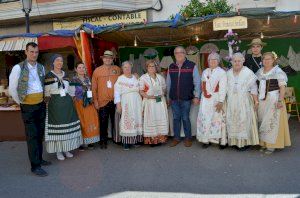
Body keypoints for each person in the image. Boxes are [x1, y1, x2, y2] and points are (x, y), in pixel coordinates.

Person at [9, 42, 50, 177]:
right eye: (31, 52)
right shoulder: (18, 68)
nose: (34, 54)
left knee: (39, 134)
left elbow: (43, 85)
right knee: (32, 135)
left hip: (40, 104)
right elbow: (12, 89)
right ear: (26, 52)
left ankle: (39, 159)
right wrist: (21, 101)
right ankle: (35, 166)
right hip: (28, 106)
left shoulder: (41, 67)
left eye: (36, 52)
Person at [44, 54, 82, 160]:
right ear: (53, 62)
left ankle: (66, 149)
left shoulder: (66, 75)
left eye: (61, 60)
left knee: (67, 126)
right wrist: (48, 104)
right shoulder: (49, 76)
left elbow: (70, 90)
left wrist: (73, 99)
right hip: (55, 104)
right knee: (58, 127)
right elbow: (47, 93)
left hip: (67, 104)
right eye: (57, 60)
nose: (59, 62)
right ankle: (58, 151)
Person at [257, 52, 291, 154]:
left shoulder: (278, 71)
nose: (266, 61)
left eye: (269, 59)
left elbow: (282, 87)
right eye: (264, 59)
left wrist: (280, 100)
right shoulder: (259, 71)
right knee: (262, 121)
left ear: (273, 60)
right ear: (262, 60)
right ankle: (264, 143)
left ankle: (272, 145)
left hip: (274, 100)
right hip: (262, 101)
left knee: (272, 122)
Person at [167, 46, 201, 147]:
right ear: (174, 55)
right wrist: (168, 97)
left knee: (186, 118)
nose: (179, 54)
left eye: (181, 52)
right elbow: (168, 83)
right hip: (174, 98)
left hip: (186, 98)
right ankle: (176, 138)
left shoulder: (191, 66)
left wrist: (196, 96)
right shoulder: (171, 66)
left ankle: (188, 138)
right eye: (176, 53)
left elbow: (197, 82)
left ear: (185, 54)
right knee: (176, 118)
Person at [226, 53, 259, 150]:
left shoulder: (248, 72)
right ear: (232, 62)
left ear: (243, 61)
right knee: (233, 120)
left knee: (244, 120)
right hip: (232, 101)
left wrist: (256, 101)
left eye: (239, 61)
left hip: (244, 100)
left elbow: (254, 88)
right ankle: (235, 142)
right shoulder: (228, 73)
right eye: (234, 61)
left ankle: (245, 143)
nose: (237, 63)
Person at [196, 52, 227, 149]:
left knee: (218, 119)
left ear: (218, 61)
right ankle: (206, 140)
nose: (212, 61)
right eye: (210, 60)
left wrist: (221, 101)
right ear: (208, 61)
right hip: (205, 99)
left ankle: (221, 141)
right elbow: (202, 85)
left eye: (214, 60)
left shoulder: (222, 72)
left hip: (217, 99)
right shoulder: (205, 71)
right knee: (206, 119)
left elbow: (223, 87)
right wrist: (203, 96)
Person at [92, 50, 121, 149]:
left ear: (112, 59)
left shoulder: (117, 69)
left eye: (110, 58)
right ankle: (103, 141)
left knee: (115, 121)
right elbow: (94, 88)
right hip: (102, 101)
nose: (108, 59)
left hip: (115, 101)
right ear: (103, 59)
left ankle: (116, 138)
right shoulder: (97, 71)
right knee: (103, 122)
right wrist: (95, 101)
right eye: (106, 58)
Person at [70, 62, 100, 150]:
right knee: (81, 122)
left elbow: (91, 90)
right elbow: (71, 94)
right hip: (79, 103)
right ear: (76, 69)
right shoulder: (73, 80)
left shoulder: (88, 79)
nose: (82, 69)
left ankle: (89, 141)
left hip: (89, 103)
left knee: (91, 121)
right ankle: (81, 143)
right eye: (79, 67)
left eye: (83, 67)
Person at [114, 61, 143, 150]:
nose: (127, 69)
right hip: (126, 102)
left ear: (131, 68)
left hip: (137, 102)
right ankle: (126, 142)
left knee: (137, 119)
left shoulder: (135, 77)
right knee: (127, 120)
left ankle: (135, 140)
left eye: (129, 67)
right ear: (122, 69)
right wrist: (118, 105)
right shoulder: (120, 79)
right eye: (125, 67)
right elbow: (116, 93)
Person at [139, 60, 169, 146]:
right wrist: (149, 96)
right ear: (147, 68)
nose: (152, 68)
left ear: (156, 67)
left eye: (153, 66)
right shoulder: (143, 78)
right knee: (151, 120)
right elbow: (141, 91)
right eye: (150, 66)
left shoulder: (160, 77)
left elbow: (164, 89)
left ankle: (160, 139)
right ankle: (152, 140)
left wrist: (162, 93)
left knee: (160, 118)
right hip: (150, 102)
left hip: (159, 102)